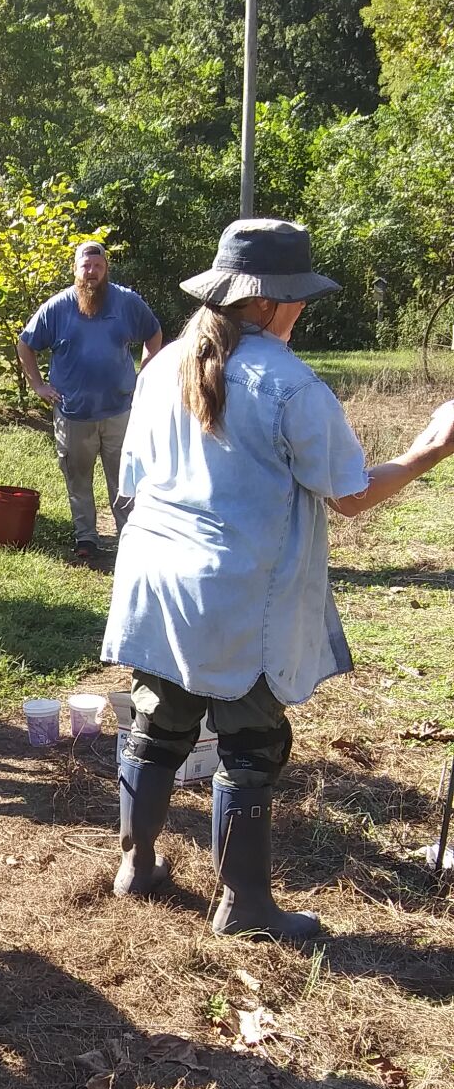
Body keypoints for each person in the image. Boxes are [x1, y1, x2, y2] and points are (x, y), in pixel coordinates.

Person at [103, 217, 454, 940]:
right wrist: (429, 448)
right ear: (267, 302)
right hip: (234, 594)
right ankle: (244, 906)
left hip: (155, 579)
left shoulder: (162, 362)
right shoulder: (288, 383)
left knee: (156, 724)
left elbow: (129, 486)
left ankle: (136, 865)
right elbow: (348, 494)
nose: (302, 308)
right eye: (296, 297)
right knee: (249, 744)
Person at [17, 240, 162, 560]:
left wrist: (144, 376)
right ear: (76, 270)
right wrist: (38, 385)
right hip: (73, 413)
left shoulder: (126, 302)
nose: (92, 272)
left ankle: (130, 537)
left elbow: (154, 334)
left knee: (125, 478)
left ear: (106, 269)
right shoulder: (57, 307)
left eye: (98, 266)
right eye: (86, 266)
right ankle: (87, 539)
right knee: (78, 479)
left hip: (120, 411)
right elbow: (25, 344)